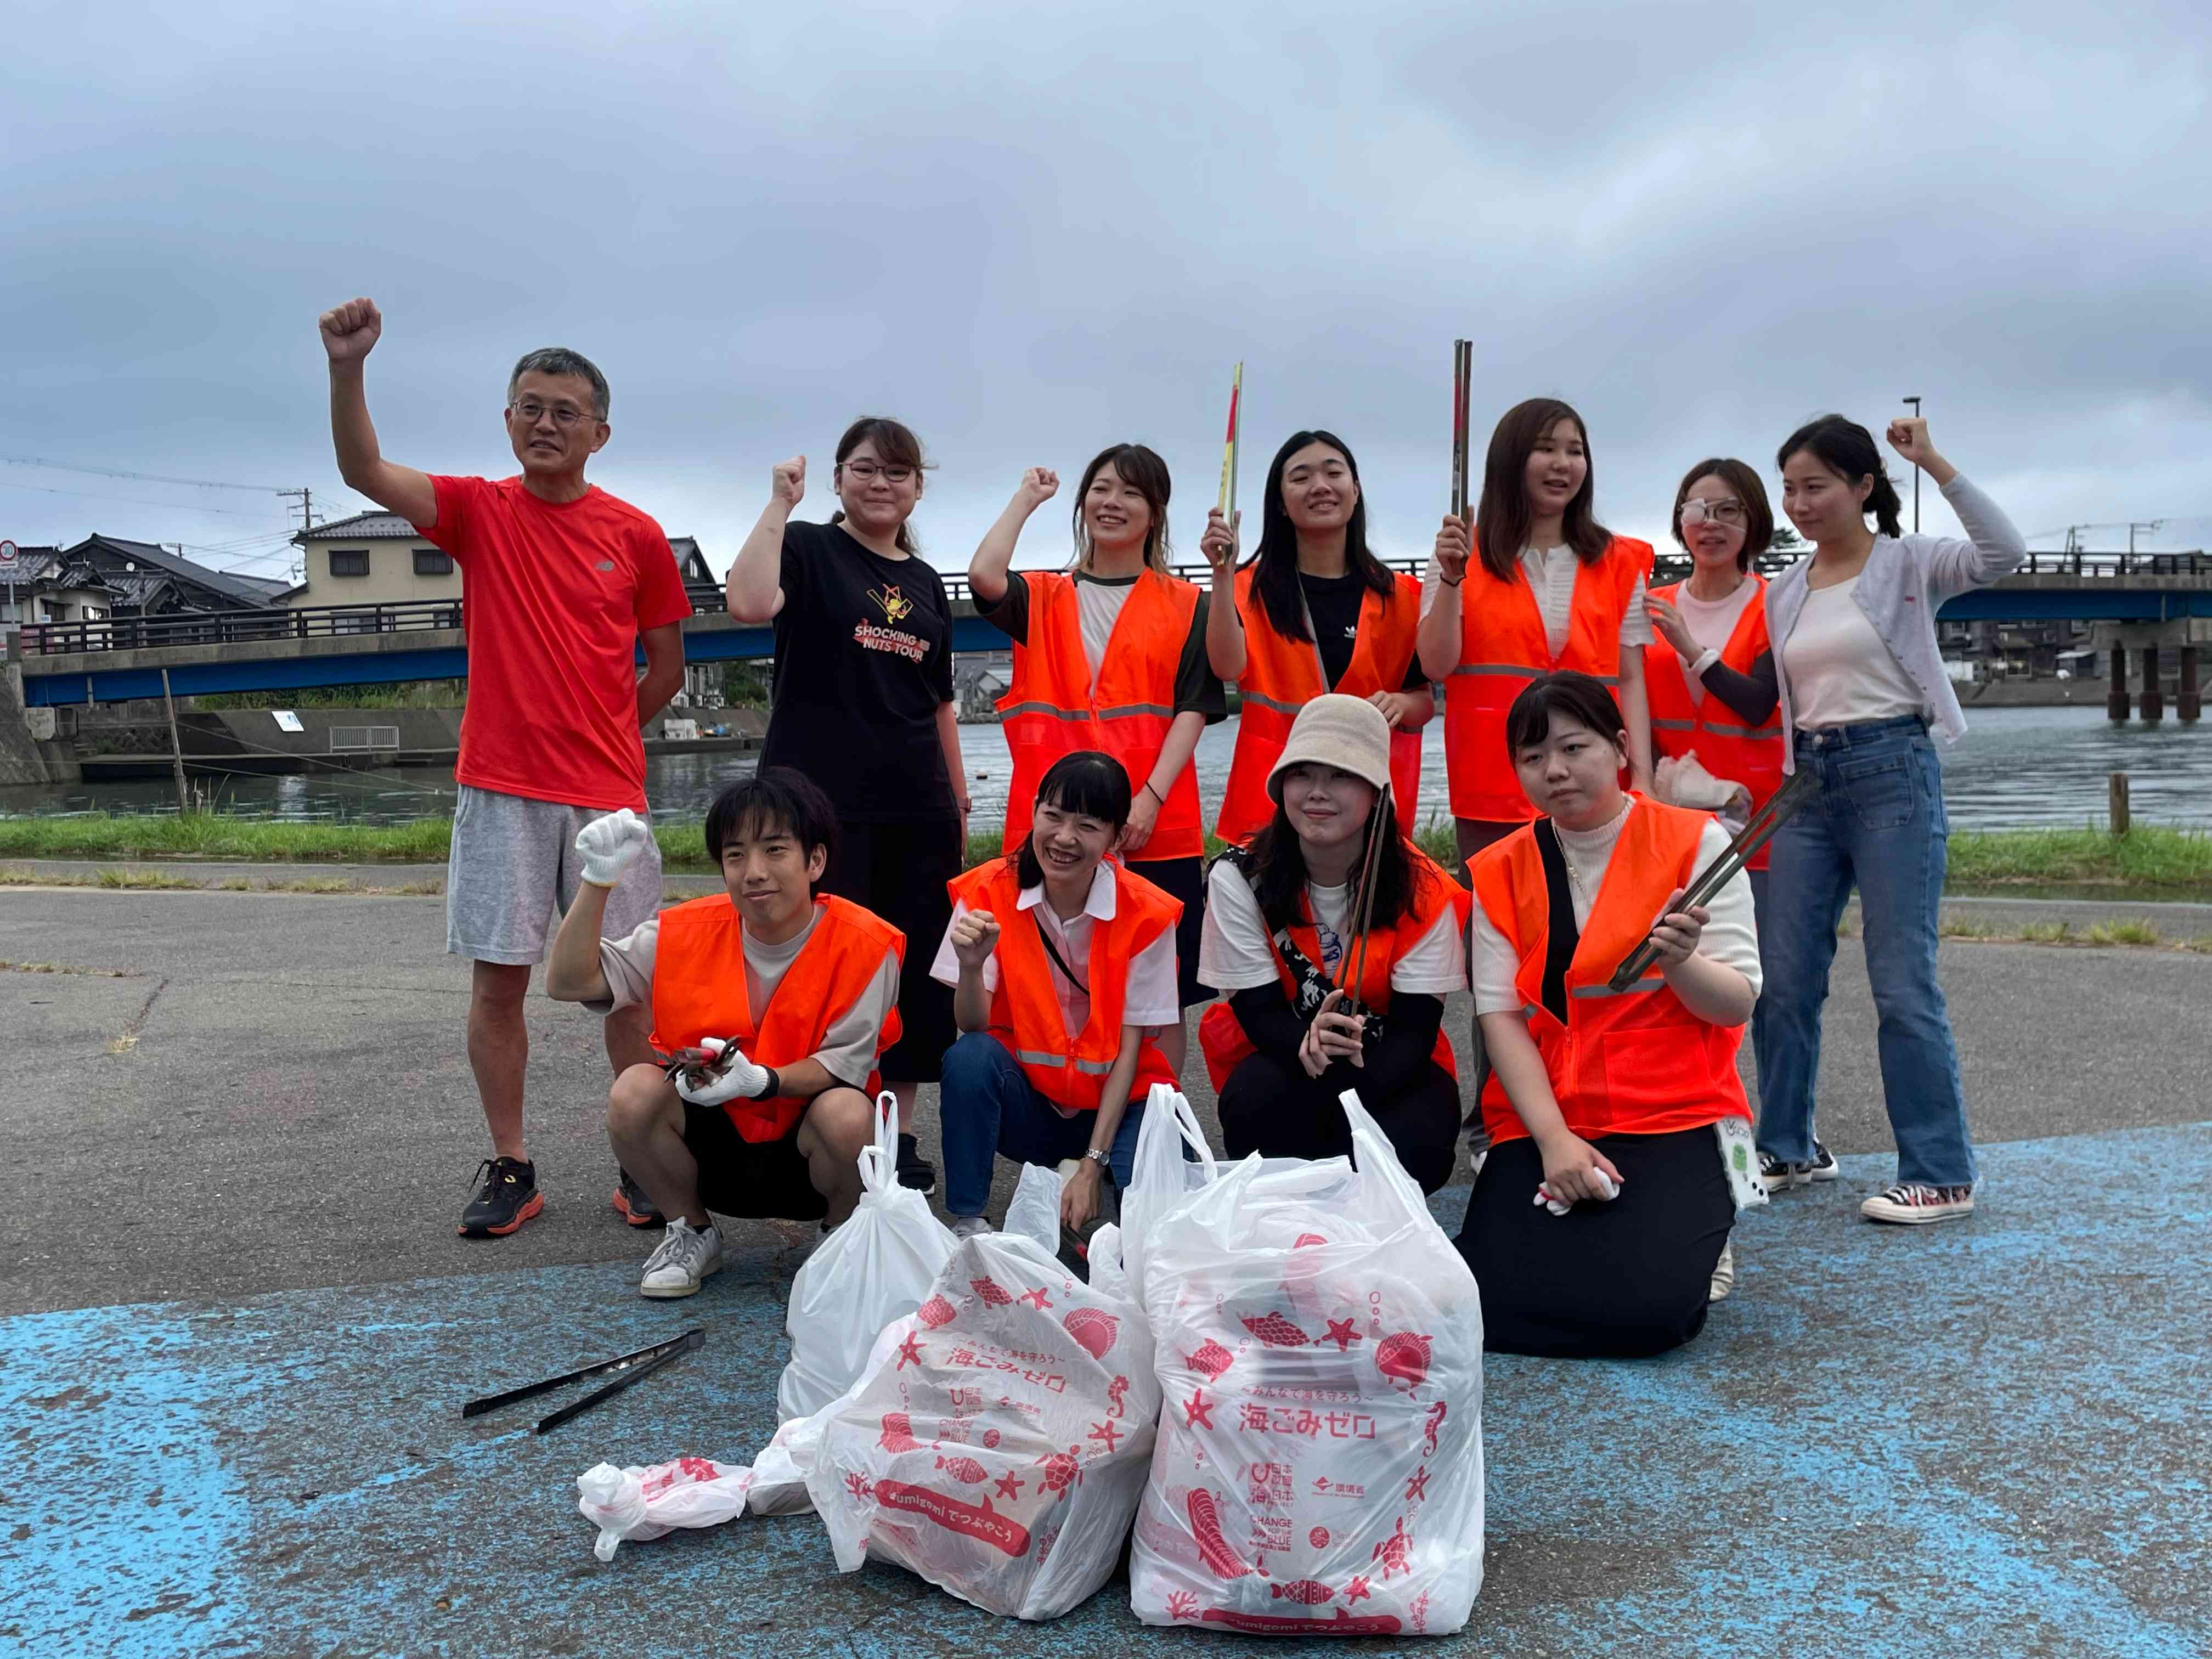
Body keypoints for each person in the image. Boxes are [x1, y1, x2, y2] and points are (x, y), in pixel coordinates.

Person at [317, 297, 691, 1239]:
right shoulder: (478, 511)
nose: (545, 423)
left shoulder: (637, 534)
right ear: (508, 419)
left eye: (565, 410)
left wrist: (607, 732)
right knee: (498, 984)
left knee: (627, 985)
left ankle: (640, 1151)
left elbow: (667, 663)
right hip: (500, 789)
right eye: (529, 405)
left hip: (610, 799)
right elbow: (363, 468)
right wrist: (348, 366)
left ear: (600, 431)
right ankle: (512, 1161)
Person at [1757, 414, 2025, 1224]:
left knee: (1902, 984)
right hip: (1807, 782)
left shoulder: (1908, 562)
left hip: (1892, 772)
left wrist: (1935, 461)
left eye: (1816, 486)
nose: (1800, 504)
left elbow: (2004, 554)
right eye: (1790, 490)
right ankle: (1788, 1148)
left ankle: (1941, 1172)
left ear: (1863, 486)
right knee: (1786, 978)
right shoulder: (1785, 590)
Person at [1453, 673, 1763, 1358]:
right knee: (1476, 1307)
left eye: (1574, 747)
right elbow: (1500, 1017)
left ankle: (1703, 1228)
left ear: (1621, 748)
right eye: (1533, 759)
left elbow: (1740, 998)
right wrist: (1555, 1141)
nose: (1555, 771)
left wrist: (1682, 964)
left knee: (1655, 1315)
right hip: (1549, 1114)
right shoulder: (1500, 868)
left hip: (1675, 1111)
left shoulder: (1698, 843)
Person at [544, 770, 900, 1297]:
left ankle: (840, 1234)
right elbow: (567, 981)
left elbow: (842, 1066)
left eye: (775, 850)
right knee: (634, 1093)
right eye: (735, 856)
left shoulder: (868, 943)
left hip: (812, 1151)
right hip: (714, 1145)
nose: (754, 872)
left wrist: (759, 1081)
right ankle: (691, 1231)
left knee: (849, 1113)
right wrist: (597, 880)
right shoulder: (678, 932)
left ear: (816, 861)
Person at [726, 418, 964, 1195]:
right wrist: (776, 504)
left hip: (915, 807)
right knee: (818, 967)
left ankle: (895, 1133)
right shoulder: (807, 546)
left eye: (899, 473)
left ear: (918, 488)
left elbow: (940, 705)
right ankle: (815, 1123)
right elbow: (748, 603)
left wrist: (959, 804)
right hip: (817, 810)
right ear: (837, 479)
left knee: (911, 976)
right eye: (865, 469)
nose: (881, 484)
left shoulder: (928, 584)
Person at [967, 445, 1228, 1074]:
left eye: (1131, 493)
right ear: (1083, 502)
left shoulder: (1186, 602)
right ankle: (1068, 1128)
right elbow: (983, 579)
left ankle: (1155, 1130)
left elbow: (1194, 704)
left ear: (1156, 513)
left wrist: (1151, 798)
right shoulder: (1044, 595)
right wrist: (1026, 499)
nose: (1113, 503)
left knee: (1158, 1001)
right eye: (1102, 489)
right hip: (1052, 831)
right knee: (1053, 990)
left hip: (1154, 831)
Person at [1196, 695, 1467, 1195]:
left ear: (1377, 793)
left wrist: (1348, 1117)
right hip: (1285, 1048)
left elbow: (1416, 1031)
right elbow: (1257, 1012)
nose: (1317, 793)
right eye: (1302, 775)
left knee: (1414, 1141)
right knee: (1257, 1105)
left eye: (1341, 775)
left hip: (1391, 1060)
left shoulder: (1425, 889)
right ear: (1281, 787)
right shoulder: (1239, 877)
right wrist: (1308, 1043)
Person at [932, 752, 1183, 1240]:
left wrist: (1092, 1165)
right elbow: (972, 1025)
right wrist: (970, 965)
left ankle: (1099, 1176)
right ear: (1032, 812)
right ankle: (968, 1221)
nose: (1064, 838)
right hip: (1034, 1105)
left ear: (1115, 837)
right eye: (1053, 816)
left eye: (1088, 825)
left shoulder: (1148, 915)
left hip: (1120, 1103)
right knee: (969, 1058)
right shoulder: (985, 893)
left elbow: (1130, 1050)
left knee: (1150, 1235)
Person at [1418, 398, 1656, 871]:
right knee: (1497, 932)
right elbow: (1435, 665)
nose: (1563, 464)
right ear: (1511, 460)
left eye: (1576, 451)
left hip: (1596, 786)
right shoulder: (1460, 555)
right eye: (1546, 449)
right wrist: (1450, 578)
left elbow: (1630, 679)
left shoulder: (1620, 562)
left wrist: (1643, 779)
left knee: (1602, 932)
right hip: (1492, 788)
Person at [1203, 431, 1432, 848]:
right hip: (1269, 810)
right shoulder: (1244, 590)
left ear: (1356, 489)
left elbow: (1424, 701)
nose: (1320, 487)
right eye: (1301, 477)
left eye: (1333, 473)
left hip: (1371, 807)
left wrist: (1401, 703)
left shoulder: (1401, 596)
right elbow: (1226, 668)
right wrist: (1220, 575)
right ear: (1280, 502)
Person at [1643, 458, 1790, 1105]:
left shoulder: (1778, 605)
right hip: (1669, 827)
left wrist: (1689, 648)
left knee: (1774, 981)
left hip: (1760, 823)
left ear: (1753, 521)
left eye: (1729, 509)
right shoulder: (1650, 607)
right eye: (1698, 509)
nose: (1712, 523)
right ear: (1680, 521)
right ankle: (1683, 1110)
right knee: (1672, 971)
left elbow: (1759, 703)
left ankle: (1787, 1131)